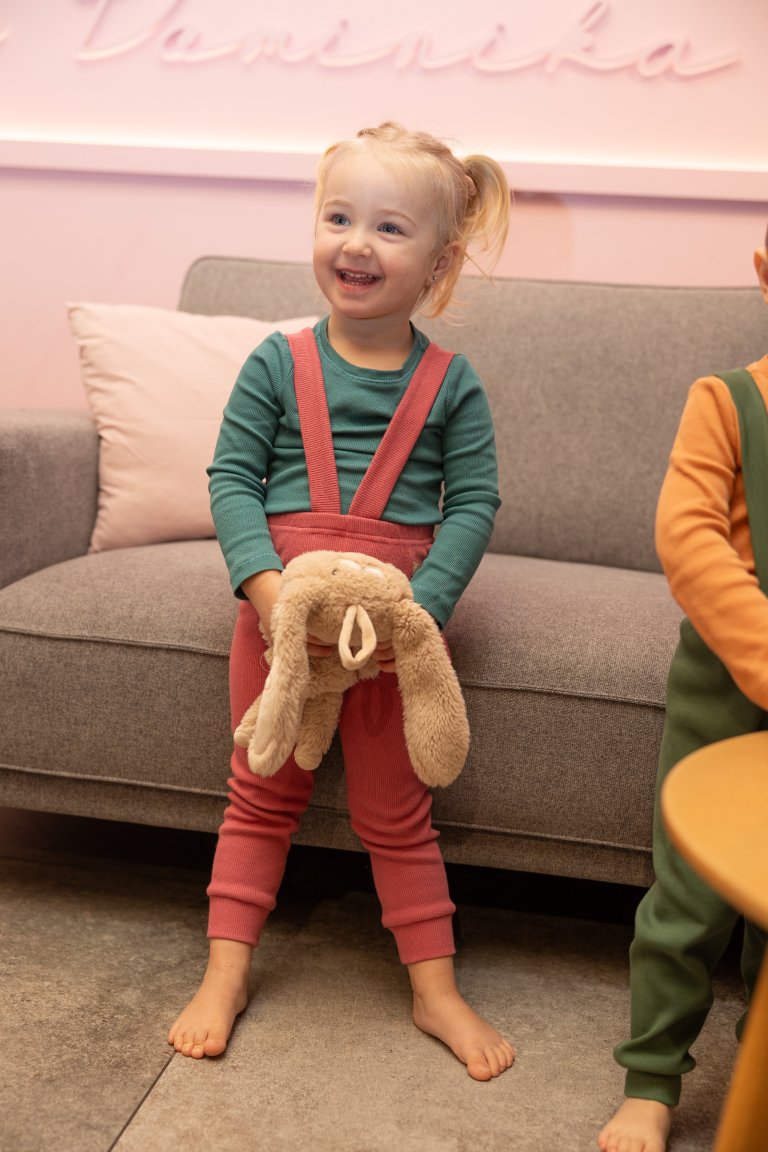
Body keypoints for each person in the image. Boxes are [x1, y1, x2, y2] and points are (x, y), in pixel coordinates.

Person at [168, 122, 514, 1081]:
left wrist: (420, 612)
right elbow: (232, 478)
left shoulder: (453, 384)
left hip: (396, 632)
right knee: (259, 794)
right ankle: (226, 973)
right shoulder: (275, 363)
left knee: (398, 812)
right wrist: (268, 592)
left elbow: (474, 503)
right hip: (279, 617)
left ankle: (435, 989)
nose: (357, 243)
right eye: (338, 218)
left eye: (390, 228)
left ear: (439, 263)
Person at [598, 228, 768, 1152]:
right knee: (690, 897)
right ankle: (653, 1077)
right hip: (724, 686)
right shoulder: (727, 400)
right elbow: (689, 537)